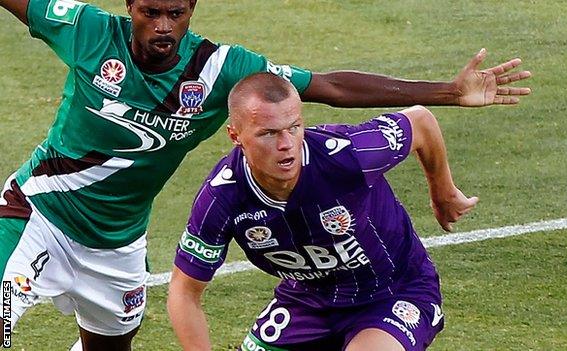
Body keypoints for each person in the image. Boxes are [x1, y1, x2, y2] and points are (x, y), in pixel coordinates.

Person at [0, 0, 530, 349]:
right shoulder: (88, 30)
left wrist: (447, 92)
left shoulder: (221, 69)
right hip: (37, 210)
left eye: (176, 13)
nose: (163, 25)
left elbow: (330, 87)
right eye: (151, 12)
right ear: (130, 7)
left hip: (117, 246)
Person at [168, 72, 479, 350]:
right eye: (268, 133)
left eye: (294, 127)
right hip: (308, 301)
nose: (286, 144)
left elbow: (420, 122)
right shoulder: (222, 197)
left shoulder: (348, 155)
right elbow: (184, 291)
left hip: (394, 291)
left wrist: (444, 192)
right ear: (236, 136)